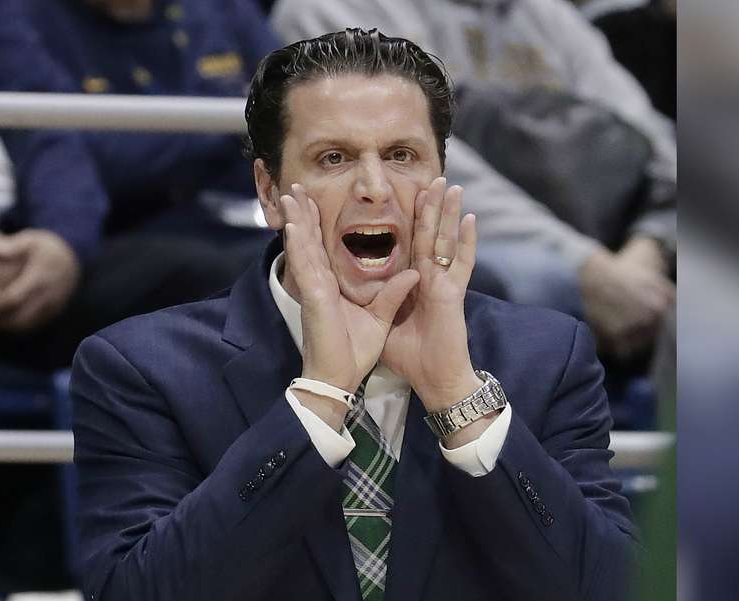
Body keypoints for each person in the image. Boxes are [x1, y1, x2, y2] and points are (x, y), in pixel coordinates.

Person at [72, 29, 636, 601]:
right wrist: (320, 398)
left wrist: (456, 396)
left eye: (403, 154)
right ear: (268, 191)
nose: (374, 186)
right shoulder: (140, 369)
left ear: (442, 178)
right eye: (333, 156)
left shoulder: (537, 358)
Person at [272, 0, 677, 365]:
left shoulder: (551, 18)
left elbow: (660, 149)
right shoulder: (331, 11)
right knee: (539, 280)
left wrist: (649, 248)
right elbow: (414, 173)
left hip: (617, 247)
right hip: (425, 237)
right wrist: (585, 265)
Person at [0, 0, 283, 369]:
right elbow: (65, 145)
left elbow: (292, 113)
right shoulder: (15, 18)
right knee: (240, 275)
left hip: (236, 225)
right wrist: (225, 124)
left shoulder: (223, 8)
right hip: (107, 241)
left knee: (320, 259)